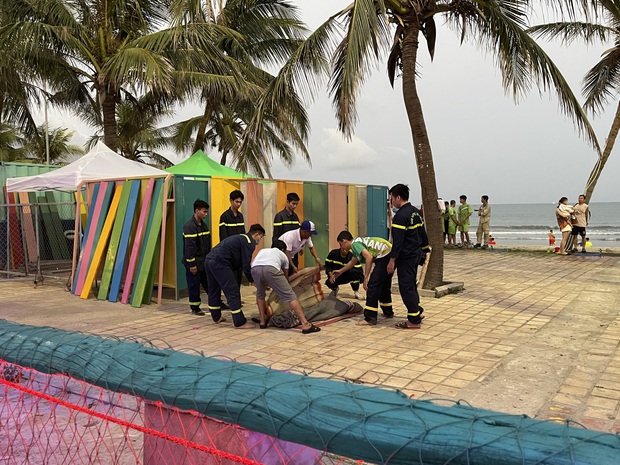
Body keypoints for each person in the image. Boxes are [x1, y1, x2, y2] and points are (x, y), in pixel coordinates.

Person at [251, 240, 320, 334]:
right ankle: (305, 324)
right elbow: (286, 278)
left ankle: (262, 322)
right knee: (291, 296)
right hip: (271, 268)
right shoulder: (283, 255)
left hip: (255, 268)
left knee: (260, 294)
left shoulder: (263, 250)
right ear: (283, 250)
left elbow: (259, 266)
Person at [205, 224, 265, 328]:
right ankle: (239, 322)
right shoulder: (249, 242)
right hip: (221, 263)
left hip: (209, 260)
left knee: (214, 289)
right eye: (261, 237)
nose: (260, 240)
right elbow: (246, 265)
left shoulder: (240, 238)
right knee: (232, 290)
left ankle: (216, 317)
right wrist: (252, 280)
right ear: (257, 234)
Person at [388, 184, 430, 329]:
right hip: (415, 254)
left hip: (406, 256)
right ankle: (417, 311)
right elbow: (422, 233)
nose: (391, 202)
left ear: (398, 197)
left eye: (392, 198)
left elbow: (398, 242)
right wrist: (425, 250)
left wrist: (392, 260)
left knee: (406, 287)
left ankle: (413, 320)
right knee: (411, 284)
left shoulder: (400, 216)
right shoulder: (416, 212)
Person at [330, 232, 394, 326]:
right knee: (384, 285)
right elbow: (353, 261)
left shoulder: (355, 244)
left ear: (344, 241)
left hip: (385, 255)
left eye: (340, 244)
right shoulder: (358, 242)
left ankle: (370, 317)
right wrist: (341, 271)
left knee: (372, 286)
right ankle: (388, 312)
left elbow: (369, 257)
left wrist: (366, 278)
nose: (341, 247)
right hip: (390, 253)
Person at [182, 199, 211, 316]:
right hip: (194, 263)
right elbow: (189, 248)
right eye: (204, 212)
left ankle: (216, 302)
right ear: (197, 210)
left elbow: (207, 244)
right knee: (194, 286)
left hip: (203, 262)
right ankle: (195, 307)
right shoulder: (189, 227)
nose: (206, 214)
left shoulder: (204, 226)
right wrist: (192, 264)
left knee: (209, 283)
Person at [324, 231, 364, 300]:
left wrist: (364, 279)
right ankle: (335, 289)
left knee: (354, 273)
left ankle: (356, 291)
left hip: (348, 275)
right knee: (328, 282)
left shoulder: (353, 256)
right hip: (337, 276)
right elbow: (327, 266)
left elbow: (359, 271)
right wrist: (330, 274)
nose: (345, 250)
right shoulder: (333, 254)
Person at [219, 189, 246, 290]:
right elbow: (223, 236)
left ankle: (236, 297)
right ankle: (232, 298)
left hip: (239, 253)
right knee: (230, 277)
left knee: (238, 276)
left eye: (240, 202)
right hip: (229, 253)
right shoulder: (224, 217)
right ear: (231, 200)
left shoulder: (240, 216)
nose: (239, 204)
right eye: (237, 201)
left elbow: (243, 235)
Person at [273, 193, 301, 267]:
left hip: (294, 249)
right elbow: (276, 234)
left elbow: (299, 233)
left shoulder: (295, 217)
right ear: (287, 202)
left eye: (296, 204)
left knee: (294, 267)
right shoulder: (279, 216)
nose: (294, 206)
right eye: (293, 203)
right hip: (283, 248)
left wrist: (301, 247)